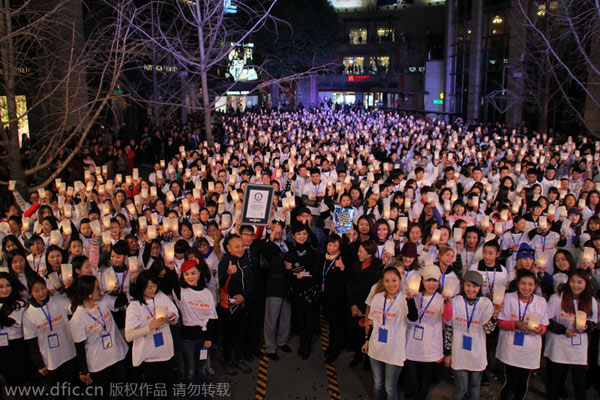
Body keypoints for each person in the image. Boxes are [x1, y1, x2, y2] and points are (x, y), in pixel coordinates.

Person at [362, 267, 418, 400]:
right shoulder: (377, 297)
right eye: (387, 281)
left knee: (390, 387)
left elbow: (413, 318)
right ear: (382, 282)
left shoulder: (404, 299)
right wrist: (367, 340)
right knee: (377, 384)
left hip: (394, 351)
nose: (391, 284)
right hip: (375, 349)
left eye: (394, 280)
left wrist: (410, 301)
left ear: (400, 281)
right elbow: (371, 322)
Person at [444, 271, 500, 400]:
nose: (471, 289)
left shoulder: (485, 303)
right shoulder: (456, 300)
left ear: (480, 287)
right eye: (468, 285)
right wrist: (448, 353)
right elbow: (448, 327)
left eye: (475, 286)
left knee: (475, 387)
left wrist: (495, 315)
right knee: (461, 388)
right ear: (463, 285)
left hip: (477, 352)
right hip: (458, 352)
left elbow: (488, 330)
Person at [70, 275, 129, 396]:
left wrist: (118, 291)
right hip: (99, 363)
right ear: (88, 293)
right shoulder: (78, 318)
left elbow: (122, 301)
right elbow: (79, 347)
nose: (101, 290)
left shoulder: (103, 301)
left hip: (116, 355)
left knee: (123, 391)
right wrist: (84, 370)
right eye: (97, 288)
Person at [544, 269, 598, 400]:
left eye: (580, 282)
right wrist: (564, 330)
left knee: (579, 381)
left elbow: (593, 321)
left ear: (586, 283)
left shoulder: (590, 300)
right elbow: (547, 320)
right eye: (573, 281)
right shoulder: (557, 298)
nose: (576, 285)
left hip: (578, 346)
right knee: (555, 380)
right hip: (558, 344)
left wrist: (585, 327)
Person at [166, 259, 217, 398]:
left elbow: (212, 317)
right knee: (190, 370)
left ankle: (203, 394)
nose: (190, 277)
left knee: (202, 369)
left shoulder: (207, 293)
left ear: (199, 273)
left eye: (193, 273)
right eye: (186, 274)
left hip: (203, 338)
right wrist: (171, 270)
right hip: (188, 339)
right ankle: (193, 395)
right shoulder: (182, 292)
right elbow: (173, 284)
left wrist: (209, 339)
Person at [496, 269, 549, 400]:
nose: (527, 288)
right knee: (510, 381)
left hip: (529, 349)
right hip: (510, 347)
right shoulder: (509, 298)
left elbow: (544, 325)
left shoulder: (541, 302)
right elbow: (501, 322)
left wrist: (539, 330)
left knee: (523, 382)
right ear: (518, 284)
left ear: (535, 286)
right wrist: (516, 325)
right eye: (523, 284)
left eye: (530, 284)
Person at [22, 275, 79, 392]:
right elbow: (31, 342)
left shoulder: (57, 299)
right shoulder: (28, 315)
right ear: (31, 292)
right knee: (57, 391)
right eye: (36, 291)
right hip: (50, 359)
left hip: (69, 352)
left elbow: (73, 309)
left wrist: (70, 290)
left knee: (75, 388)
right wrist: (40, 364)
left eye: (43, 288)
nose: (41, 293)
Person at [124, 270, 179, 388]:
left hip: (165, 352)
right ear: (141, 287)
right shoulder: (134, 306)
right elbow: (129, 336)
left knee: (166, 387)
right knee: (152, 389)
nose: (153, 290)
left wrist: (171, 319)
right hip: (148, 356)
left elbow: (175, 316)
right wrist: (150, 327)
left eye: (155, 286)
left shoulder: (161, 297)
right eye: (149, 287)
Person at [404, 264, 446, 400]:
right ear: (422, 280)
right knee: (410, 382)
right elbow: (411, 318)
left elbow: (448, 319)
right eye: (428, 280)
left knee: (424, 383)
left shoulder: (442, 299)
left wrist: (449, 303)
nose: (432, 284)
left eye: (435, 280)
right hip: (411, 346)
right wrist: (410, 300)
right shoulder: (415, 295)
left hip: (429, 348)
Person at [284, 223, 319, 360]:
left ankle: (307, 346)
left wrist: (303, 274)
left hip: (310, 289)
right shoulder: (290, 253)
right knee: (300, 320)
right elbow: (288, 273)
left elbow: (315, 272)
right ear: (293, 236)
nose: (302, 236)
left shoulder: (312, 250)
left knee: (309, 320)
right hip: (297, 290)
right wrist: (296, 275)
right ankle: (302, 343)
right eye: (299, 234)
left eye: (304, 233)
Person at [0, 271, 31, 385]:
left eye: (8, 286)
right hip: (1, 347)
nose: (5, 290)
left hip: (16, 345)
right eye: (1, 287)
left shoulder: (19, 303)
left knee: (22, 380)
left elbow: (10, 322)